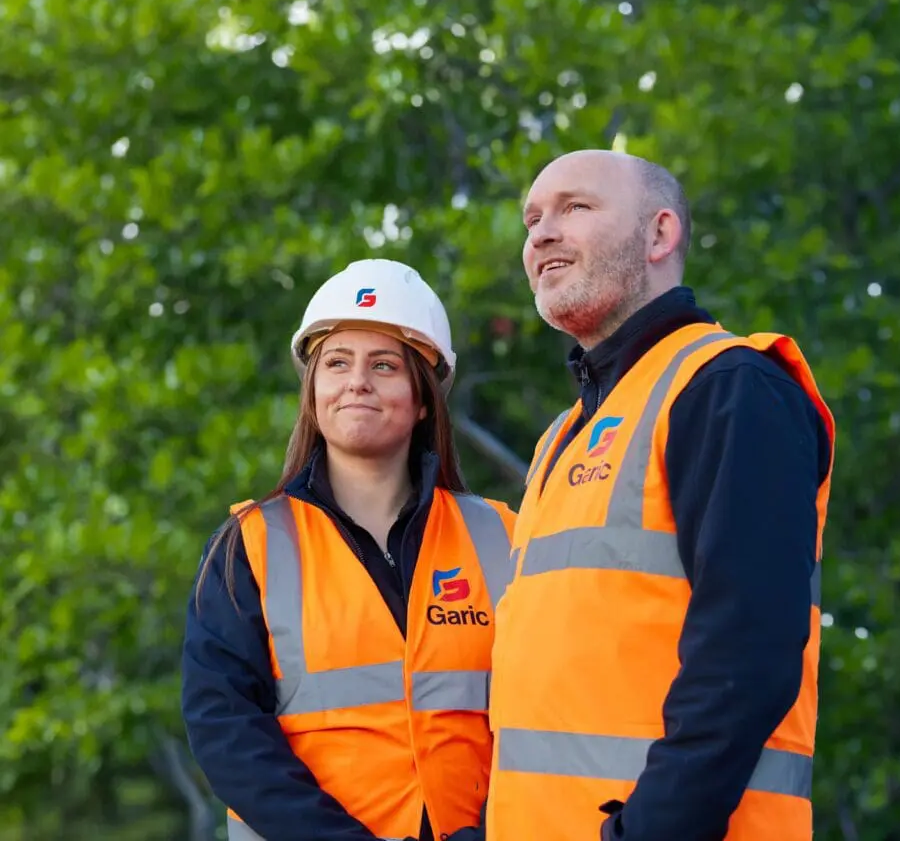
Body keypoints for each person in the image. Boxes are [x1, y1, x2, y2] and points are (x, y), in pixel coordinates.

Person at [485, 150, 836, 841]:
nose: (541, 233)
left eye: (575, 208)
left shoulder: (729, 387)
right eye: (532, 220)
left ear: (659, 234)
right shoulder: (565, 435)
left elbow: (747, 657)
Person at [181, 258, 516, 841]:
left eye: (384, 365)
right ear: (314, 395)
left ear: (421, 401)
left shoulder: (503, 537)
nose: (357, 381)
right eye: (337, 363)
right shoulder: (248, 548)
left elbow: (540, 708)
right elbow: (226, 731)